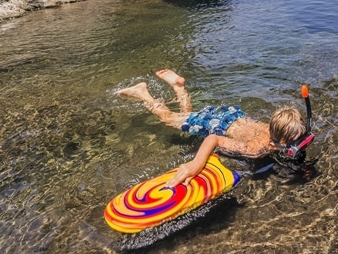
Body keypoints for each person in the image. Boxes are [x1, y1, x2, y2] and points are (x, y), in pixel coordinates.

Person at [118, 69, 308, 188]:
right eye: (295, 141)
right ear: (280, 141)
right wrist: (195, 164)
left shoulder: (274, 127)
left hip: (233, 114)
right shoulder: (255, 149)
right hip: (216, 126)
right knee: (169, 119)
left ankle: (179, 88)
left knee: (187, 120)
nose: (300, 142)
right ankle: (143, 93)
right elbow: (213, 140)